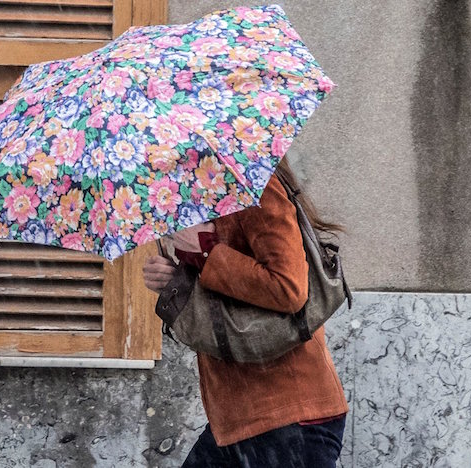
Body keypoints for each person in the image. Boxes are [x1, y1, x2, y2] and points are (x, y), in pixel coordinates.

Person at [142, 159, 349, 468]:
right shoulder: (206, 193)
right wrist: (174, 279)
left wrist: (206, 249)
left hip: (289, 416)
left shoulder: (258, 187)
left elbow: (289, 289)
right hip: (241, 419)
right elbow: (223, 295)